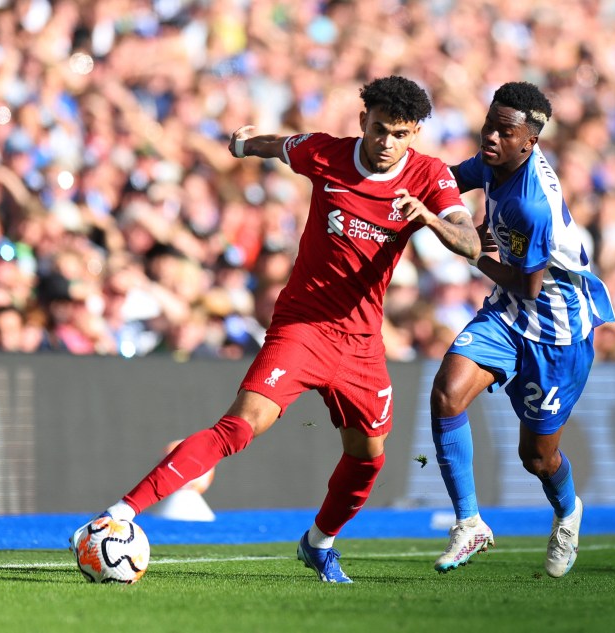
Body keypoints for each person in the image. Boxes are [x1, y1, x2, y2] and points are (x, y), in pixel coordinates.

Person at [70, 76, 480, 583]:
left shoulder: (428, 175)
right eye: (378, 130)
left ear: (415, 132)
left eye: (398, 134)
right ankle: (120, 513)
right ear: (362, 122)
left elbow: (470, 243)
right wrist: (243, 144)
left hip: (362, 343)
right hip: (303, 327)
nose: (386, 143)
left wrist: (430, 218)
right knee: (239, 426)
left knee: (367, 459)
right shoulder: (326, 154)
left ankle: (319, 542)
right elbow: (280, 145)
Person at [428, 82, 615, 578]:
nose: (489, 135)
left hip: (557, 332)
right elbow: (446, 180)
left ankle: (568, 512)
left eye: (502, 130)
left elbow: (529, 286)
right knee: (447, 394)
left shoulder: (534, 203)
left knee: (537, 458)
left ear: (528, 142)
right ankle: (469, 523)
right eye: (488, 123)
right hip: (508, 315)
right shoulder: (494, 160)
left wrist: (474, 251)